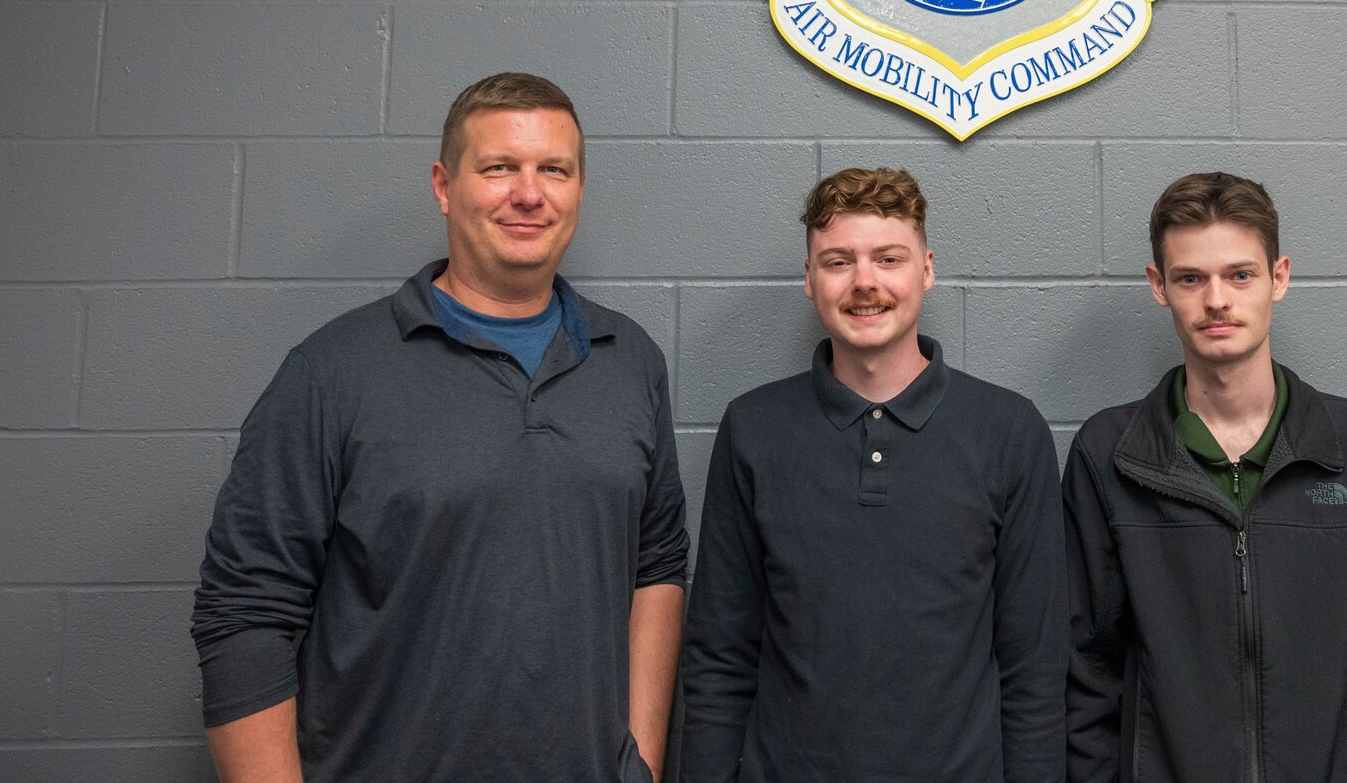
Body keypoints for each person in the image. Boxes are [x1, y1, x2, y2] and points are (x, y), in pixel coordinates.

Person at [191, 73, 687, 783]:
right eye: (498, 168)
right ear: (444, 185)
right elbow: (244, 614)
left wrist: (637, 761)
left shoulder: (630, 362)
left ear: (579, 189)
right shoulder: (334, 372)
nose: (528, 192)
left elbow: (657, 565)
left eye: (555, 169)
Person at [1064, 172, 1347, 783]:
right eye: (1191, 278)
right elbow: (1084, 674)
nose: (1217, 300)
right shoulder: (1109, 454)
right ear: (1159, 287)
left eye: (1240, 275)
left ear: (1278, 278)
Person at [680, 167, 1067, 782]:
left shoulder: (1009, 431)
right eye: (838, 261)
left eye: (889, 259)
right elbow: (720, 657)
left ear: (927, 270)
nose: (865, 283)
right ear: (809, 279)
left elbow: (1034, 671)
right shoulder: (753, 428)